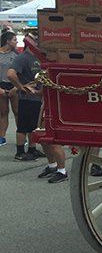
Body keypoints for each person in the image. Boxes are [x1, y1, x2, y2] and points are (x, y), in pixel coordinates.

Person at [6, 47, 67, 180]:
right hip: (43, 106)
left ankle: (62, 171)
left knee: (53, 140)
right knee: (44, 139)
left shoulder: (57, 69)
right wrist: (28, 89)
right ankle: (52, 165)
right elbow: (42, 90)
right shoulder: (42, 66)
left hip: (54, 107)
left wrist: (27, 89)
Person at [0, 31, 19, 147]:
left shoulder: (17, 55)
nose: (17, 42)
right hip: (1, 86)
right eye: (14, 40)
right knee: (3, 112)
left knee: (17, 112)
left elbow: (21, 73)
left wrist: (16, 87)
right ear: (7, 41)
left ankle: (21, 136)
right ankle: (2, 137)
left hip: (13, 86)